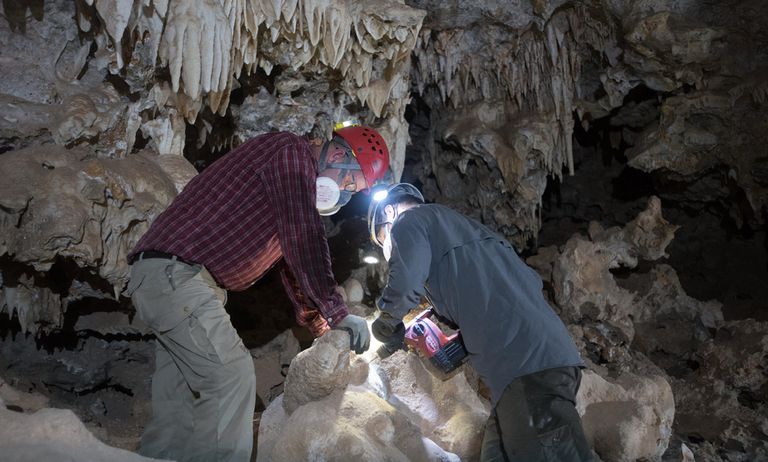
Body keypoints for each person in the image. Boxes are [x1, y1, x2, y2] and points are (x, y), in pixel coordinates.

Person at [123, 124, 388, 462]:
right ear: (337, 154)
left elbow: (293, 269)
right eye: (349, 182)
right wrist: (339, 312)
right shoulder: (290, 152)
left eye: (353, 191)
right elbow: (303, 236)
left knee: (178, 407)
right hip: (178, 276)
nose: (344, 193)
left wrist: (324, 324)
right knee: (231, 377)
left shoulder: (288, 187)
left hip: (169, 280)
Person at [369, 183, 593, 462]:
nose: (387, 249)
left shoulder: (409, 220)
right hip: (533, 365)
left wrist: (388, 319)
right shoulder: (477, 236)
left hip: (526, 367)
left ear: (389, 211)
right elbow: (517, 290)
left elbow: (406, 280)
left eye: (383, 239)